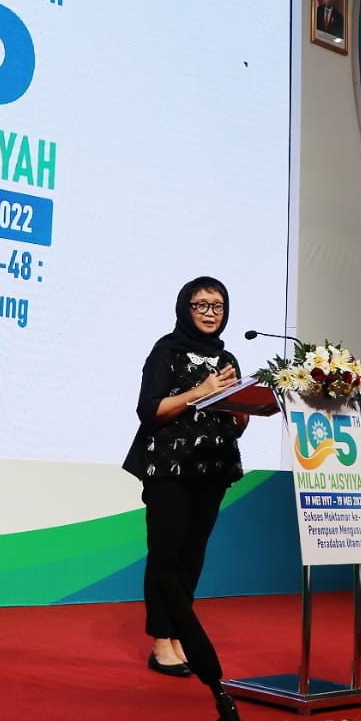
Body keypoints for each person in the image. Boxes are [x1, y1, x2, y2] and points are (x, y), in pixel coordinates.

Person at [122, 276, 249, 677]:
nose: (211, 313)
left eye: (218, 306)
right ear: (185, 308)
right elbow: (150, 411)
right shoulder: (166, 352)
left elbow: (237, 425)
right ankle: (161, 640)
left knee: (192, 556)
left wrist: (244, 406)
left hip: (213, 469)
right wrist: (201, 391)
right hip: (169, 470)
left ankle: (179, 634)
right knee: (166, 554)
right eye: (202, 305)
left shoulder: (227, 359)